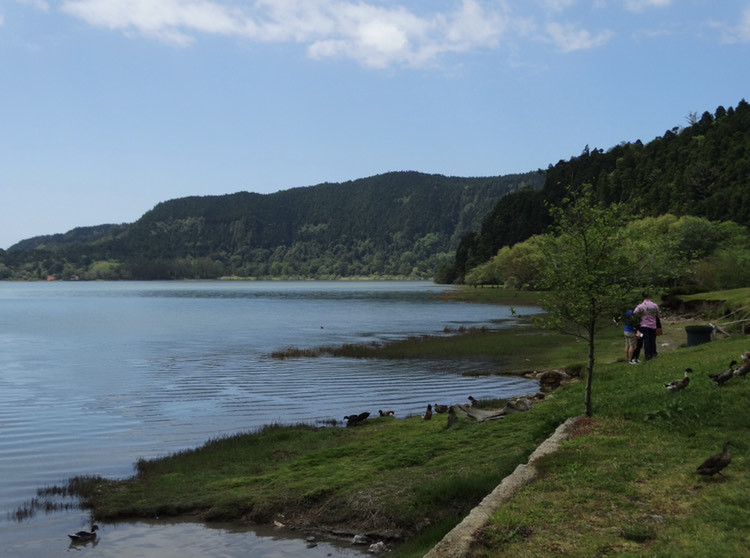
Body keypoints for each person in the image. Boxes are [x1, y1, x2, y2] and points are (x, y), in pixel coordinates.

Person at [633, 295, 661, 361]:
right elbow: (659, 315)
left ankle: (647, 355)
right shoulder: (654, 305)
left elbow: (634, 313)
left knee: (646, 340)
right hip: (653, 325)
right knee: (653, 340)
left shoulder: (640, 306)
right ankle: (654, 353)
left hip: (644, 325)